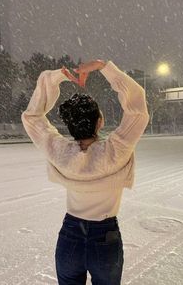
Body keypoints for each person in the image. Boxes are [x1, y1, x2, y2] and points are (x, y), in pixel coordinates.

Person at [21, 59, 149, 284]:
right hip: (106, 237)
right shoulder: (115, 151)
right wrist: (104, 67)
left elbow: (32, 117)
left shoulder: (60, 152)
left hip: (70, 236)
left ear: (69, 125)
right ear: (100, 122)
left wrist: (54, 78)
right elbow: (137, 108)